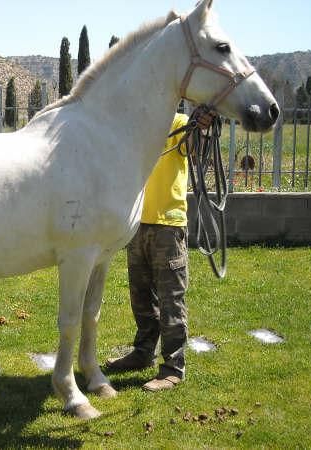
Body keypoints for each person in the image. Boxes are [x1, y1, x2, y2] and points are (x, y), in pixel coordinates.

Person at [106, 112, 190, 392]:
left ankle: (173, 368)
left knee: (170, 300)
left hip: (168, 224)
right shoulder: (137, 123)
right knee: (140, 295)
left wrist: (202, 126)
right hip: (138, 222)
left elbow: (193, 147)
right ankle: (143, 353)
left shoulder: (179, 122)